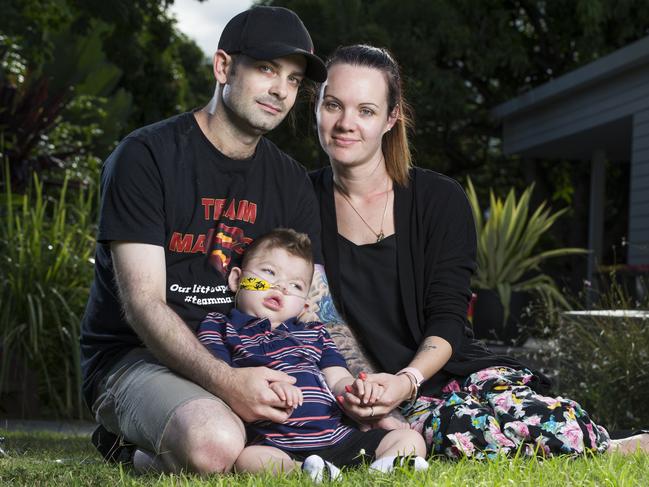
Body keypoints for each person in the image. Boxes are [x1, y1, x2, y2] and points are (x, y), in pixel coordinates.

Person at [307, 44, 649, 458]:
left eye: (365, 110)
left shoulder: (438, 199)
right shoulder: (299, 200)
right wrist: (361, 387)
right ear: (317, 106)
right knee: (468, 429)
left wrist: (406, 379)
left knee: (546, 419)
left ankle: (614, 446)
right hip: (368, 393)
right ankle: (608, 448)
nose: (345, 123)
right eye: (333, 105)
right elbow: (310, 317)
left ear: (391, 118)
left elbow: (449, 317)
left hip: (440, 370)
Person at [80, 6, 334, 475]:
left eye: (294, 80)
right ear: (223, 67)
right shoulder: (145, 157)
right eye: (266, 69)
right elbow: (144, 303)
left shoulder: (291, 183)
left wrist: (351, 384)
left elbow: (299, 296)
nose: (281, 90)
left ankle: (170, 442)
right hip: (139, 357)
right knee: (216, 443)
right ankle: (125, 441)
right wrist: (228, 381)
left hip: (247, 349)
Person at [196, 228, 428, 480]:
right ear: (236, 280)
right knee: (249, 460)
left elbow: (338, 379)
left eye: (295, 285)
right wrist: (271, 387)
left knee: (410, 438)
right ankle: (306, 473)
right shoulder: (219, 326)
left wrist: (358, 390)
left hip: (337, 437)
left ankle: (385, 467)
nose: (281, 286)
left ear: (304, 305)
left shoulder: (315, 333)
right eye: (269, 272)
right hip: (275, 444)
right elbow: (219, 377)